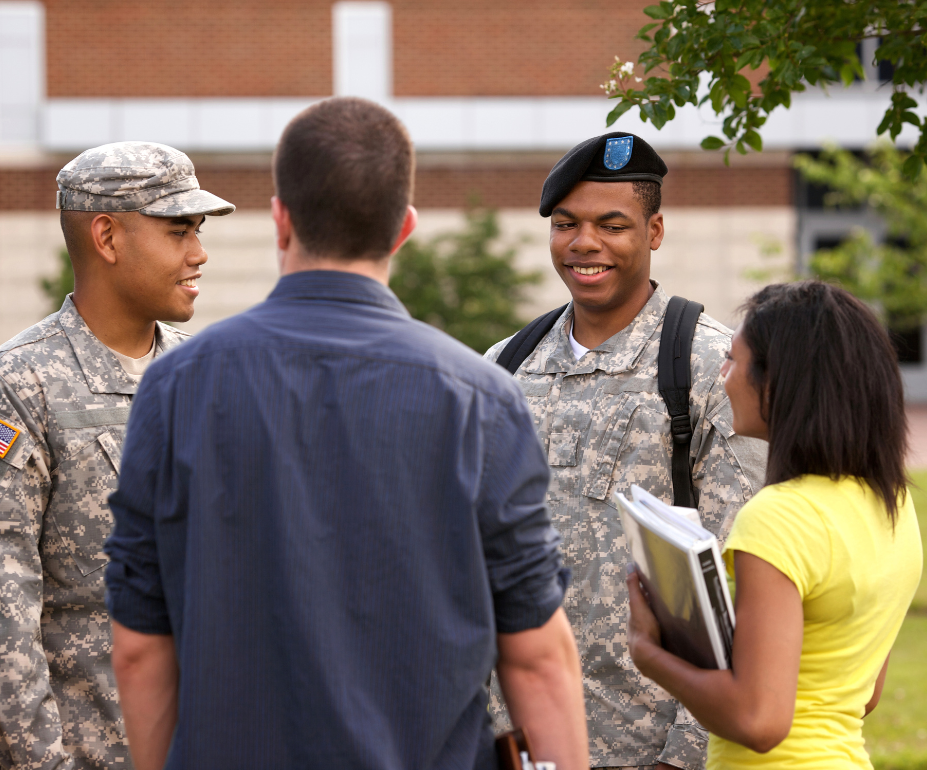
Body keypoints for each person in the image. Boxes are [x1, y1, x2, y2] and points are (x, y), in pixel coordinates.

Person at [103, 97, 589, 770]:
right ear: (404, 229)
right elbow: (536, 657)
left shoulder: (175, 387)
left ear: (281, 220)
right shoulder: (481, 398)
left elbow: (138, 645)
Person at [484, 132, 767, 770]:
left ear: (655, 230)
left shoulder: (710, 370)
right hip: (514, 736)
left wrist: (686, 755)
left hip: (645, 747)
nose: (585, 244)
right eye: (566, 225)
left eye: (612, 225)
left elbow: (745, 580)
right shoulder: (502, 368)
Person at [0, 142, 234, 769]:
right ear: (107, 236)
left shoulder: (207, 374)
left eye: (199, 231)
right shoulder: (14, 388)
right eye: (178, 231)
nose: (199, 252)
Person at [625, 281, 923, 769]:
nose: (722, 377)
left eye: (732, 360)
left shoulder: (779, 517)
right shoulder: (892, 501)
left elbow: (759, 721)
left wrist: (649, 653)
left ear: (779, 382)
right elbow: (863, 694)